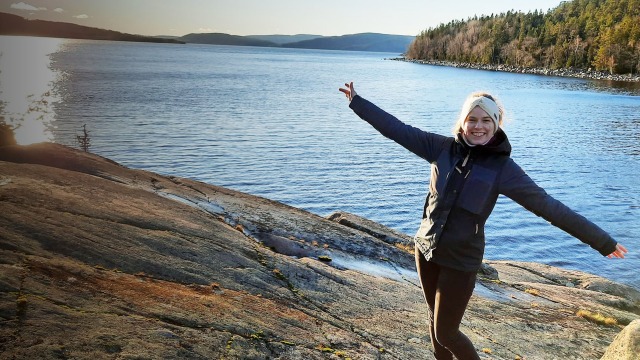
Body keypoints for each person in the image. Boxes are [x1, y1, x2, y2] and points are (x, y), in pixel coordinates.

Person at [338, 82, 628, 359]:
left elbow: (549, 207)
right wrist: (358, 103)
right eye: (472, 119)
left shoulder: (504, 169)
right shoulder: (441, 148)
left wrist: (602, 241)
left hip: (461, 261)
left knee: (447, 333)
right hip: (425, 250)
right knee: (433, 321)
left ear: (496, 123)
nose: (478, 126)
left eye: (486, 120)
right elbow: (397, 129)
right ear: (462, 122)